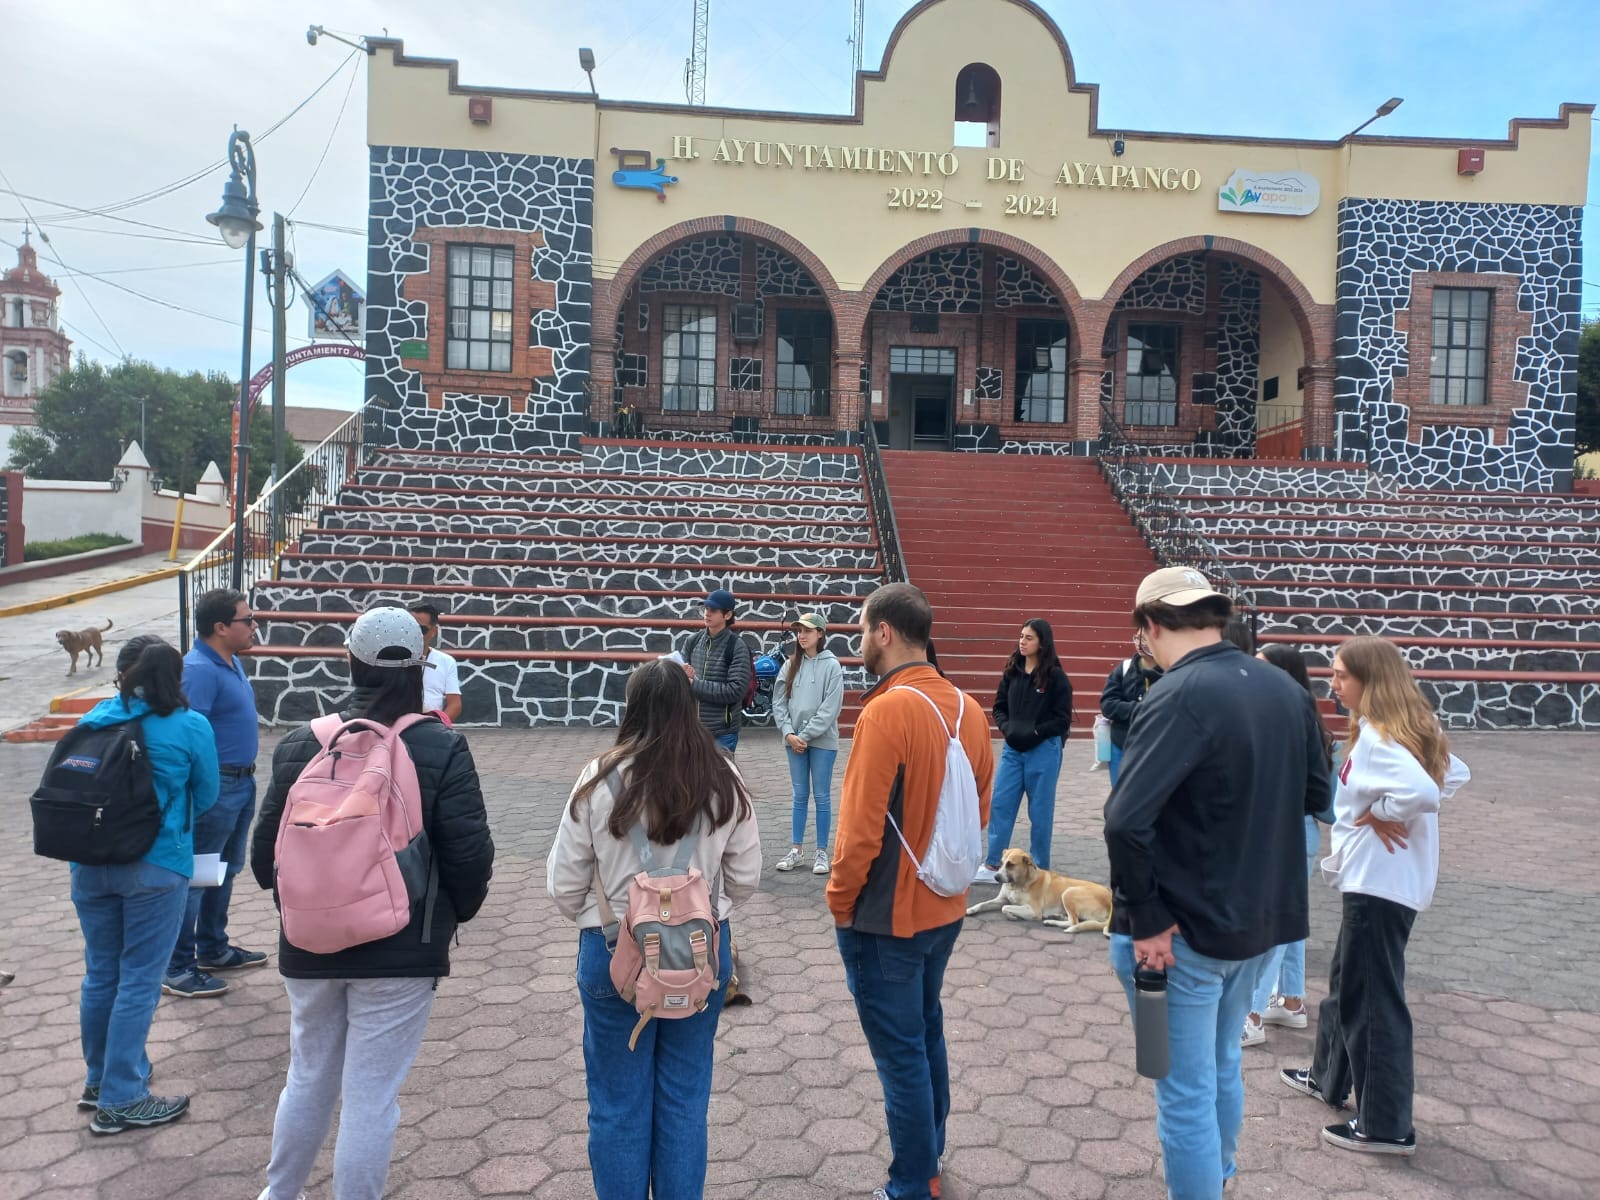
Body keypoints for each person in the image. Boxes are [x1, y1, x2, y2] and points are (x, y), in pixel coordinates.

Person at [251, 607, 494, 1200]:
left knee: (307, 1076)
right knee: (370, 1095)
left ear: (350, 659)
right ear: (420, 665)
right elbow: (470, 858)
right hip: (401, 947)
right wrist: (445, 918)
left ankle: (279, 1194)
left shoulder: (300, 743)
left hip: (308, 944)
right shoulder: (440, 745)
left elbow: (264, 861)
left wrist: (313, 902)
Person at [1104, 567, 1330, 1200]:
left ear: (1148, 628)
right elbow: (1315, 794)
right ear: (1216, 616)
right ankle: (1221, 1176)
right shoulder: (1284, 690)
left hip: (1180, 937)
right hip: (1257, 925)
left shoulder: (1177, 694)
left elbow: (1124, 821)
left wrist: (1145, 918)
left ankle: (1208, 1183)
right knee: (1222, 1066)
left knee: (1183, 1093)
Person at [546, 658, 761, 1199]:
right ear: (690, 708)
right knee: (685, 1100)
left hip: (615, 955)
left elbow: (562, 886)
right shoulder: (723, 774)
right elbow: (747, 878)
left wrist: (604, 918)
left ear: (631, 707)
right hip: (701, 957)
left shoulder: (598, 777)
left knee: (618, 1104)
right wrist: (711, 908)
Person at [828, 583, 995, 1200]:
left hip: (886, 918)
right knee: (925, 1030)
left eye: (862, 627)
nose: (858, 638)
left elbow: (858, 832)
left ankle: (911, 1182)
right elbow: (978, 812)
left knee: (900, 1054)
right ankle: (931, 1151)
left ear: (885, 632)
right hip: (946, 906)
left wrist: (839, 904)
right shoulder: (969, 708)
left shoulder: (885, 711)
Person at [1282, 635, 1468, 1157]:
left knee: (1373, 1000)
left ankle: (1385, 1125)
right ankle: (1328, 1077)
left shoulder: (1383, 737)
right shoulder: (1411, 730)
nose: (1332, 684)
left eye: (1341, 674)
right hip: (1382, 882)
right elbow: (1453, 774)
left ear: (1371, 679)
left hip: (1380, 887)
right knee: (1348, 983)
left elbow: (1429, 792)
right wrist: (1391, 806)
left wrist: (1385, 811)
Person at [70, 637, 219, 1134]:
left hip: (89, 865)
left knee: (101, 974)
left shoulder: (92, 719)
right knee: (138, 979)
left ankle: (99, 1080)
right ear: (175, 678)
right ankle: (122, 1098)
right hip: (156, 866)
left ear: (120, 672)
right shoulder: (190, 725)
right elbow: (209, 793)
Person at [165, 588, 267, 998]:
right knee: (199, 875)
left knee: (223, 870)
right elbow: (189, 735)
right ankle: (178, 966)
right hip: (216, 787)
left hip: (240, 783)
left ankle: (213, 948)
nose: (254, 625)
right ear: (220, 627)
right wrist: (202, 789)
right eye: (247, 620)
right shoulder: (199, 671)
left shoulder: (229, 661)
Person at [1242, 644, 1336, 1048]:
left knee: (1273, 924)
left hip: (1288, 830)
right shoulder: (1297, 717)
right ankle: (1293, 1000)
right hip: (1293, 829)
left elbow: (1324, 803)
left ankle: (1251, 1011)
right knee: (1289, 918)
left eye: (1261, 668)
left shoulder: (1292, 722)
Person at [976, 618, 1073, 881]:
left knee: (1040, 811)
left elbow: (1062, 719)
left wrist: (1036, 732)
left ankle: (1038, 869)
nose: (1022, 641)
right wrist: (1008, 728)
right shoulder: (1012, 670)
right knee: (1001, 805)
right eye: (1021, 636)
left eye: (1029, 637)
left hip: (1043, 750)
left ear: (1042, 642)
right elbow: (999, 707)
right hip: (1012, 751)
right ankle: (994, 864)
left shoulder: (1056, 677)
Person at [772, 613, 845, 877]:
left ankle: (822, 852)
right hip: (794, 741)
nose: (802, 635)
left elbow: (830, 708)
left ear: (820, 634)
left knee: (822, 796)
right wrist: (789, 733)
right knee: (799, 795)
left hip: (822, 742)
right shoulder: (791, 664)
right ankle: (796, 850)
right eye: (799, 631)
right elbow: (778, 702)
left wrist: (805, 735)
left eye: (808, 631)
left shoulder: (832, 666)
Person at [681, 588, 752, 753]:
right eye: (706, 608)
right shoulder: (692, 641)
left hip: (723, 734)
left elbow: (735, 691)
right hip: (692, 730)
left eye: (713, 610)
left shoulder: (737, 646)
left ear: (727, 615)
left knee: (719, 778)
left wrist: (694, 684)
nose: (707, 613)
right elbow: (682, 682)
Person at [1098, 630, 1162, 786]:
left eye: (1145, 639)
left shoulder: (1170, 669)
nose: (1140, 643)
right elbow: (1108, 704)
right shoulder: (1124, 668)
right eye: (1137, 638)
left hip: (1156, 747)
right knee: (1121, 797)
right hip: (1121, 744)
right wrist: (1140, 709)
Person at [409, 601, 463, 723]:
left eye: (421, 629)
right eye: (411, 627)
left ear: (434, 631)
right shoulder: (391, 657)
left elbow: (455, 705)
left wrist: (438, 727)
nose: (415, 634)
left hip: (431, 724)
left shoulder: (446, 661)